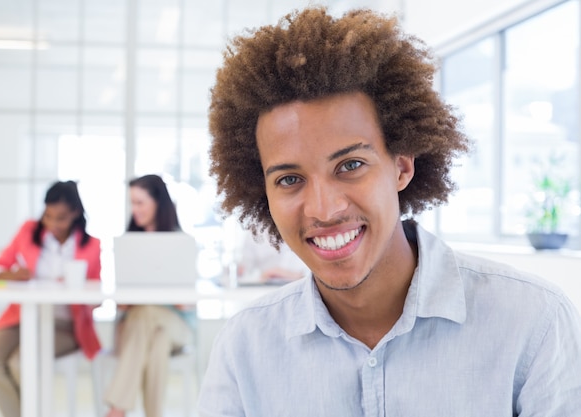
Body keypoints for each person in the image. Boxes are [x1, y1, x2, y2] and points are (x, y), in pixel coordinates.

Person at [197, 6, 581, 416]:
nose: (324, 209)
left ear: (402, 166)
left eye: (350, 166)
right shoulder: (244, 350)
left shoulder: (532, 324)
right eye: (290, 179)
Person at [0, 180, 102, 417]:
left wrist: (76, 289)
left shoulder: (91, 245)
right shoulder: (28, 232)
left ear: (76, 213)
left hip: (65, 326)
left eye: (61, 217)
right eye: (48, 216)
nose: (53, 224)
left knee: (19, 363)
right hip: (22, 318)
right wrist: (12, 275)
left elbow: (97, 295)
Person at [104, 174, 193, 417]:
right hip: (135, 329)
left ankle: (117, 408)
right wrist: (123, 301)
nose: (135, 210)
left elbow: (189, 306)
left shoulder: (181, 242)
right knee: (157, 338)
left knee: (150, 315)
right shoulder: (128, 243)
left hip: (176, 324)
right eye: (132, 203)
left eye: (140, 203)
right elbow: (121, 305)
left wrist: (178, 296)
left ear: (157, 203)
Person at [237, 229, 309, 284]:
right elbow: (245, 272)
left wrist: (294, 275)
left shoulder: (303, 229)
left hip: (300, 285)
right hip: (264, 288)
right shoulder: (255, 232)